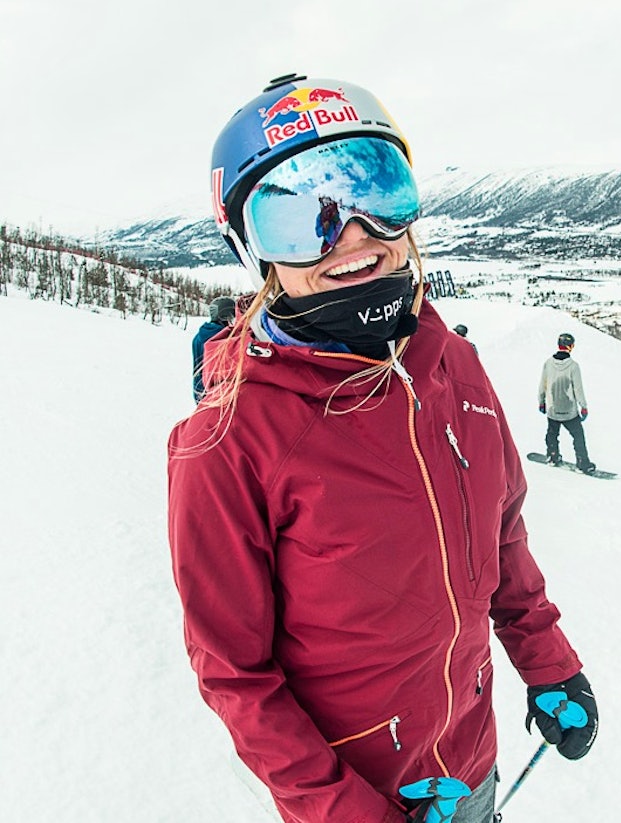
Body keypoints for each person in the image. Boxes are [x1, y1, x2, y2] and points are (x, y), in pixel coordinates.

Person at [169, 74, 596, 823]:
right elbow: (236, 672)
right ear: (251, 249)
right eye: (302, 219)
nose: (355, 235)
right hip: (360, 797)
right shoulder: (227, 439)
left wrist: (548, 661)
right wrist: (346, 813)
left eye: (378, 189)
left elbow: (502, 534)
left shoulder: (452, 365)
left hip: (472, 760)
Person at [539, 332, 595, 473]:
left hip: (552, 408)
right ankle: (583, 462)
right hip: (569, 410)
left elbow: (542, 385)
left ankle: (553, 456)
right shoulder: (574, 366)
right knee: (578, 436)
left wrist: (541, 402)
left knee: (552, 433)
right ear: (570, 346)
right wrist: (584, 406)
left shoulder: (548, 363)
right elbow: (578, 389)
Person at [191, 296, 236, 401]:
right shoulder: (222, 338)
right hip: (217, 394)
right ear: (226, 315)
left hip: (200, 391)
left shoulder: (200, 335)